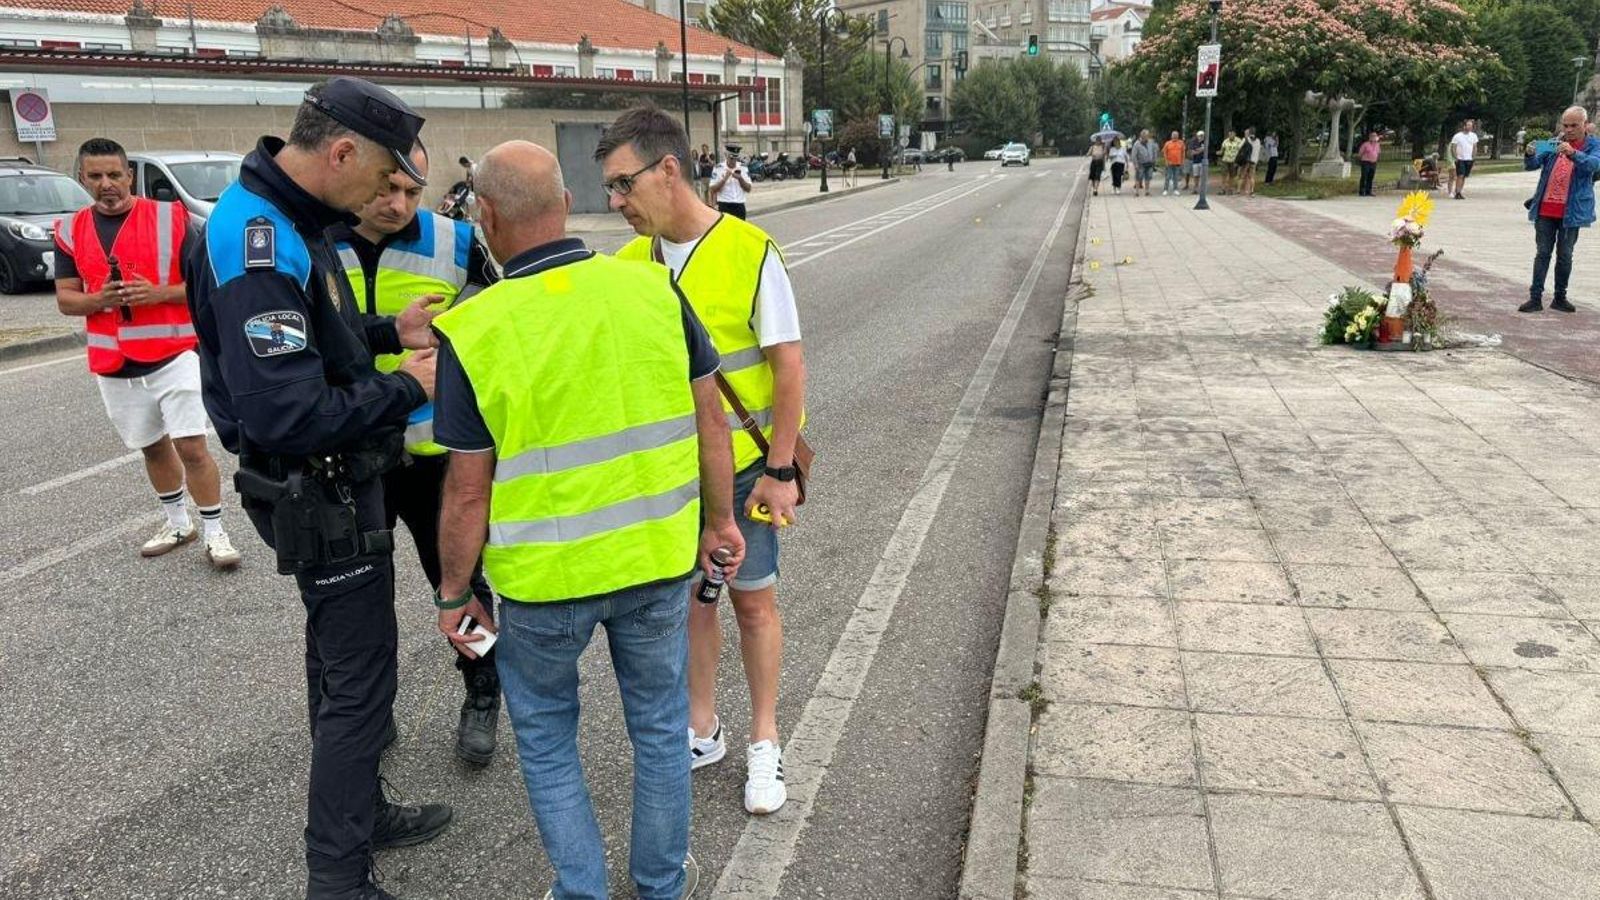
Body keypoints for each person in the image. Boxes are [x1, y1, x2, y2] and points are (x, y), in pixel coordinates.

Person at [431, 139, 744, 900]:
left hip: (544, 586)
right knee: (662, 731)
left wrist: (453, 593)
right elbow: (712, 421)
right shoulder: (653, 292)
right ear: (567, 205)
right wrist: (720, 523)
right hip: (655, 564)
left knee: (546, 740)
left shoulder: (474, 327)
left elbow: (468, 493)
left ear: (487, 216)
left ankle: (581, 889)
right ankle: (661, 885)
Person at [185, 76, 453, 900]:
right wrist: (409, 386)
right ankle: (338, 876)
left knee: (337, 664)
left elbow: (313, 341)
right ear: (340, 153)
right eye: (383, 181)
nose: (389, 201)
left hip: (335, 483)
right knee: (359, 675)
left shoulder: (293, 221)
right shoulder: (257, 240)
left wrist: (384, 333)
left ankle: (361, 812)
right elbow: (289, 411)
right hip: (319, 485)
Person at [600, 107, 807, 818]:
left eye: (623, 184)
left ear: (667, 168)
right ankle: (702, 727)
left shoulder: (751, 250)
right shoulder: (629, 266)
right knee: (691, 602)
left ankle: (765, 739)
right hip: (672, 473)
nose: (616, 202)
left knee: (752, 600)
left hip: (747, 468)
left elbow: (787, 366)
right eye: (608, 189)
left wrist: (780, 469)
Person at [327, 140, 505, 766]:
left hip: (435, 457)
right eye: (386, 188)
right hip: (351, 456)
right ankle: (369, 714)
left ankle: (483, 691)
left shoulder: (456, 242)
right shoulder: (315, 242)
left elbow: (501, 326)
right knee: (358, 606)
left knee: (460, 587)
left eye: (413, 189)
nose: (398, 203)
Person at [54, 137, 241, 569]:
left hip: (174, 355)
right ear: (82, 179)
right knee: (152, 448)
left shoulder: (172, 219)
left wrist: (158, 293)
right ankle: (178, 523)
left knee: (191, 447)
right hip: (114, 365)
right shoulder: (69, 231)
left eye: (115, 175)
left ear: (130, 176)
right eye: (96, 176)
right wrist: (98, 299)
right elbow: (66, 300)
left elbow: (207, 285)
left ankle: (216, 532)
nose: (107, 184)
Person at [1519, 107, 1600, 314]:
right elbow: (1532, 165)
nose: (1569, 130)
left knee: (1565, 255)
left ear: (1585, 124)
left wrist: (1574, 153)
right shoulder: (1554, 143)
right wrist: (1529, 154)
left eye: (1574, 125)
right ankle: (1535, 297)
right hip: (1546, 209)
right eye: (1565, 125)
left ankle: (1560, 297)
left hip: (1571, 211)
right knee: (1542, 253)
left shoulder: (1593, 145)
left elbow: (1594, 165)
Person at [710, 145, 752, 219]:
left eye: (736, 158)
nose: (733, 161)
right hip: (725, 206)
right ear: (726, 155)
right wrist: (724, 179)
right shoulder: (718, 168)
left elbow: (748, 189)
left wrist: (740, 179)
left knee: (739, 230)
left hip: (739, 206)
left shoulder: (743, 168)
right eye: (731, 158)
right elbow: (713, 189)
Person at [1451, 119, 1479, 199]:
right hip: (1460, 159)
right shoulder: (1457, 136)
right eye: (1468, 125)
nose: (1470, 127)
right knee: (1460, 175)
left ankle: (1460, 191)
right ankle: (1457, 192)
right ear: (1464, 126)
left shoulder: (1474, 136)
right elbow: (1453, 147)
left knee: (1464, 176)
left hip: (1469, 159)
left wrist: (1473, 157)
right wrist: (1455, 157)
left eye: (1471, 125)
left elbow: (1474, 147)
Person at [1131, 129, 1157, 197]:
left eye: (1147, 135)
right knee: (1138, 178)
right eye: (1146, 135)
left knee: (1148, 178)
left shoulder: (1151, 142)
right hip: (1140, 164)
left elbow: (1154, 151)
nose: (1147, 137)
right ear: (1142, 135)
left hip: (1149, 163)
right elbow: (1134, 155)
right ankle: (1136, 192)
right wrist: (1135, 164)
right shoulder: (1137, 144)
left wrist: (1154, 160)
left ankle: (1147, 191)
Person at [1357, 130, 1381, 196]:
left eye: (1375, 136)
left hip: (1373, 162)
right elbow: (1360, 154)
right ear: (1370, 137)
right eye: (1372, 136)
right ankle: (1362, 191)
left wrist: (1377, 159)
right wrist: (1360, 161)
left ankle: (1368, 191)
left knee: (1371, 177)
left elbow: (1378, 153)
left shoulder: (1377, 145)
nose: (1374, 137)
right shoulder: (1365, 144)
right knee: (1364, 176)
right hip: (1366, 162)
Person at [1162, 130, 1185, 196]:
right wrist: (1166, 161)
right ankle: (1165, 189)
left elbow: (1183, 153)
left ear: (1178, 136)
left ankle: (1176, 189)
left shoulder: (1181, 143)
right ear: (1171, 136)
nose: (1175, 136)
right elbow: (1164, 153)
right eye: (1173, 135)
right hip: (1169, 163)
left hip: (1178, 163)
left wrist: (1182, 161)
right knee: (1168, 176)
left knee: (1176, 177)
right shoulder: (1167, 143)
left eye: (1176, 135)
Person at [1220, 130, 1243, 194]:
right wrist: (1219, 152)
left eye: (1232, 134)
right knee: (1224, 174)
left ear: (1235, 134)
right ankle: (1223, 189)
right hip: (1225, 160)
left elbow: (1241, 150)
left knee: (1232, 175)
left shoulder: (1239, 141)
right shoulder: (1225, 141)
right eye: (1229, 135)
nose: (1230, 136)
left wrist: (1239, 159)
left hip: (1233, 160)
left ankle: (1230, 189)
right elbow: (1222, 150)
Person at [1241, 127, 1261, 196]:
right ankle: (1252, 190)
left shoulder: (1246, 139)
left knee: (1243, 175)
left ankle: (1243, 190)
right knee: (1252, 177)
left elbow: (1240, 147)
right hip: (1254, 161)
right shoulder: (1258, 140)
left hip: (1247, 160)